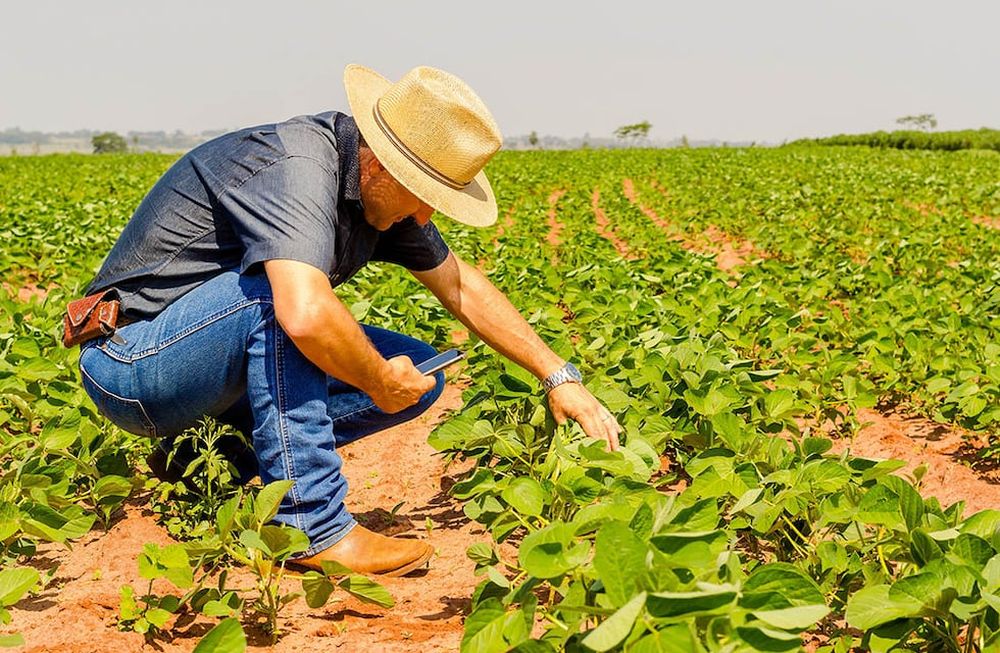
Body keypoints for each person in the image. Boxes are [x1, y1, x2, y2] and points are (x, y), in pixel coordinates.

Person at [76, 64, 622, 577]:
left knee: (421, 372)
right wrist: (374, 381)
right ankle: (313, 526)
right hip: (131, 364)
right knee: (285, 300)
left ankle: (208, 454)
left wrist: (558, 375)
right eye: (427, 196)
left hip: (202, 371)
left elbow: (460, 285)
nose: (427, 215)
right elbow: (305, 315)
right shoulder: (297, 167)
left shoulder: (380, 195)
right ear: (383, 164)